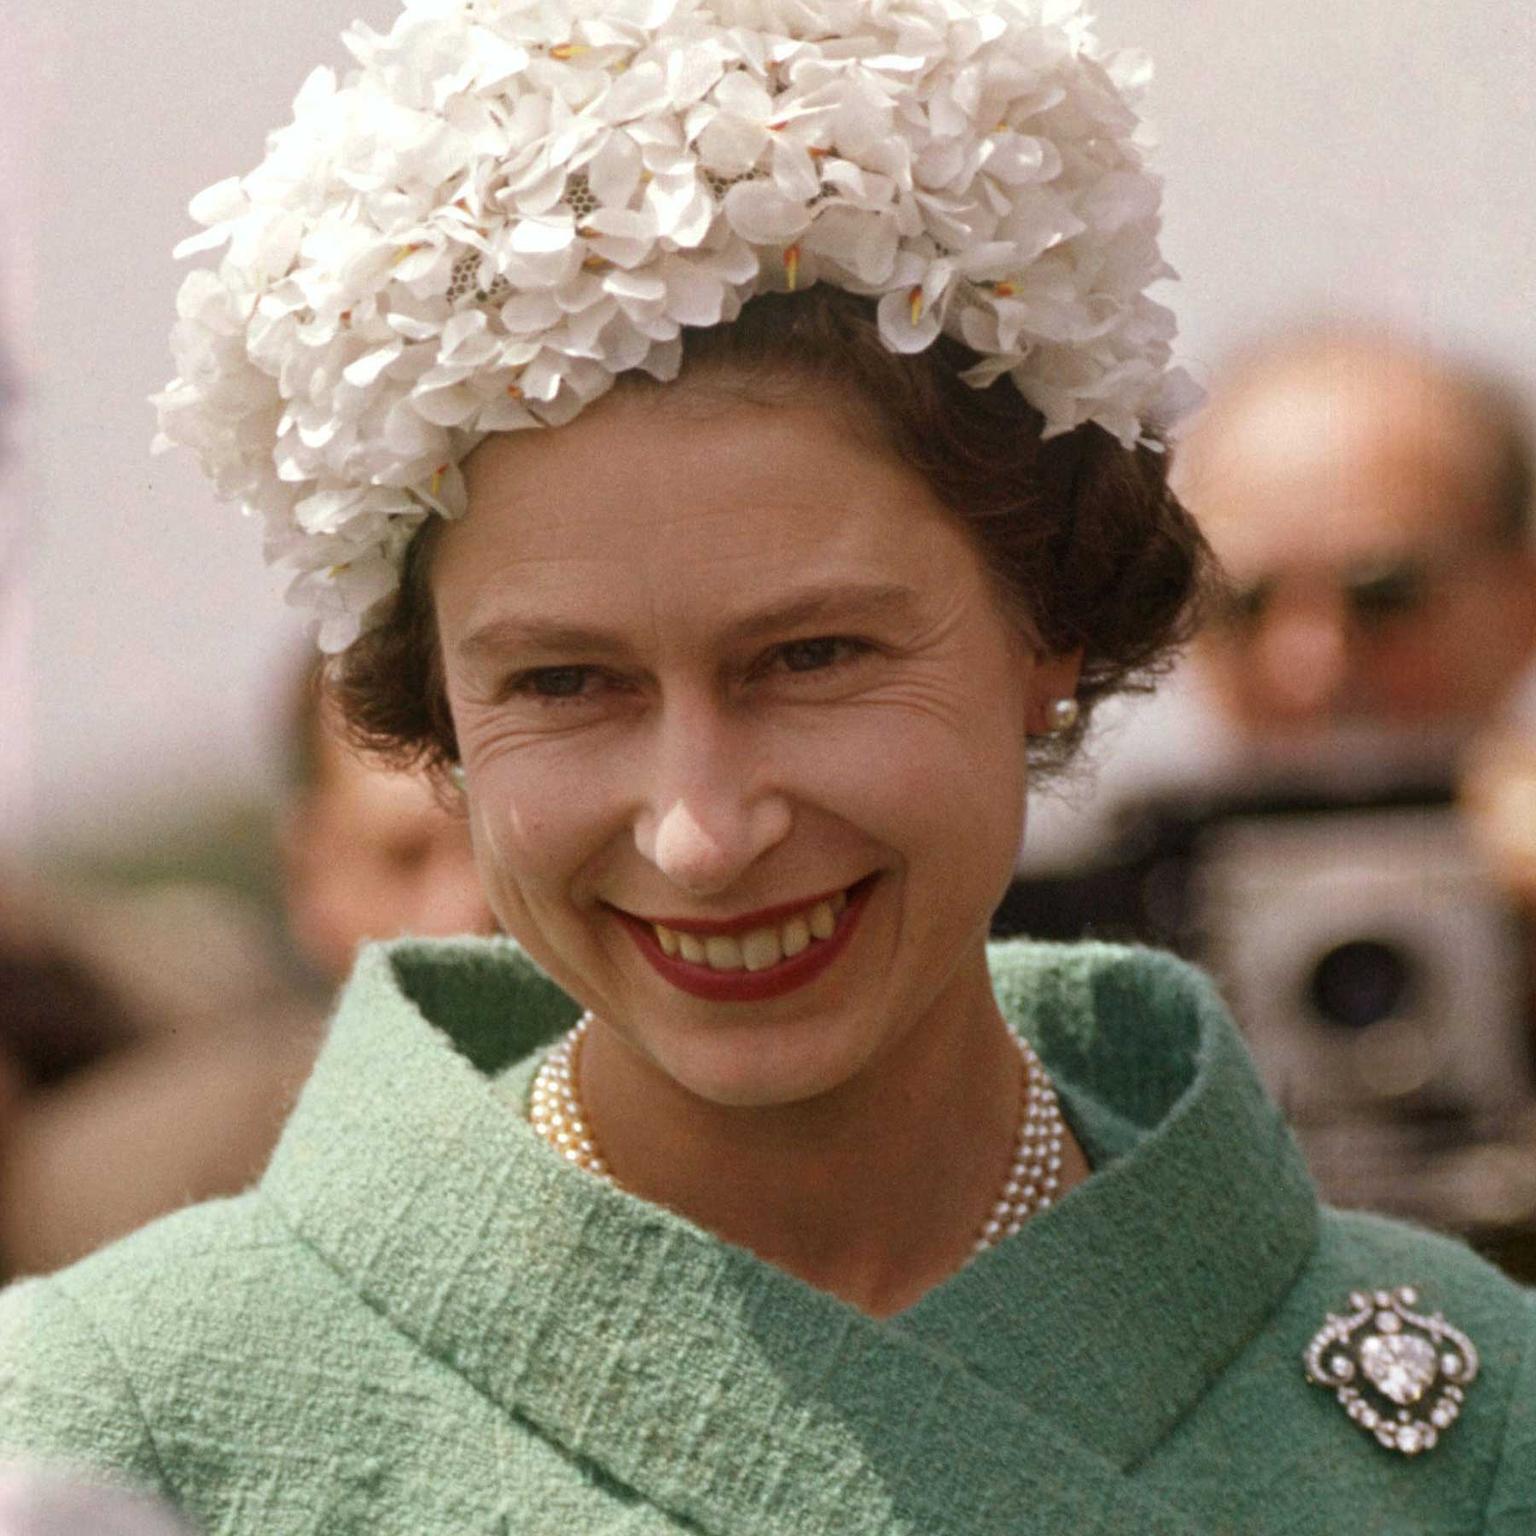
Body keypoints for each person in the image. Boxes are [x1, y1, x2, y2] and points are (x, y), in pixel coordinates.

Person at [3, 2, 1533, 1530]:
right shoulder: (104, 1431)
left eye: (813, 659)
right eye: (565, 683)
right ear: (439, 723)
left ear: (1047, 626)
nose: (704, 831)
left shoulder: (1479, 1420)